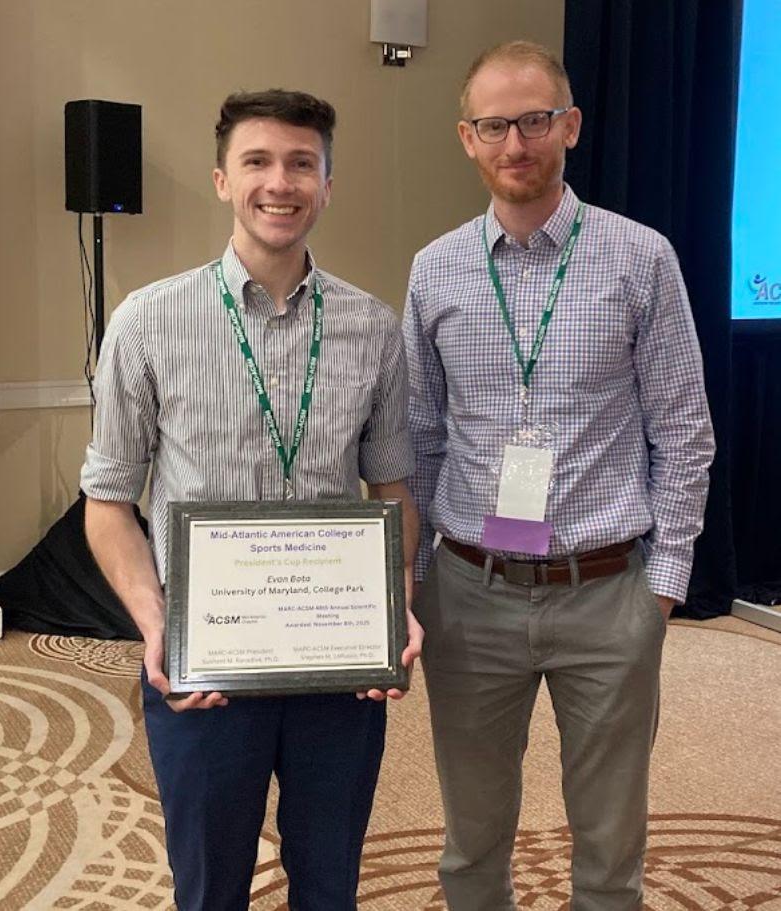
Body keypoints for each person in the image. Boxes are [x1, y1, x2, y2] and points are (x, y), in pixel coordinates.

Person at [80, 89, 422, 910]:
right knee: (208, 886)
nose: (281, 182)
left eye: (302, 163)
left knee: (330, 881)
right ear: (222, 180)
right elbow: (107, 502)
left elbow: (393, 487)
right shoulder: (147, 321)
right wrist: (159, 624)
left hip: (336, 669)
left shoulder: (372, 329)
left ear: (327, 184)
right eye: (258, 162)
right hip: (207, 668)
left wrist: (396, 600)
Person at [403, 41, 714, 910]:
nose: (516, 144)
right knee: (470, 837)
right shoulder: (435, 270)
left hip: (607, 592)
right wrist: (417, 577)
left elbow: (684, 431)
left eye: (534, 120)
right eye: (493, 125)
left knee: (610, 844)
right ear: (466, 137)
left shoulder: (639, 257)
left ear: (568, 126)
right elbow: (419, 436)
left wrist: (664, 584)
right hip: (470, 590)